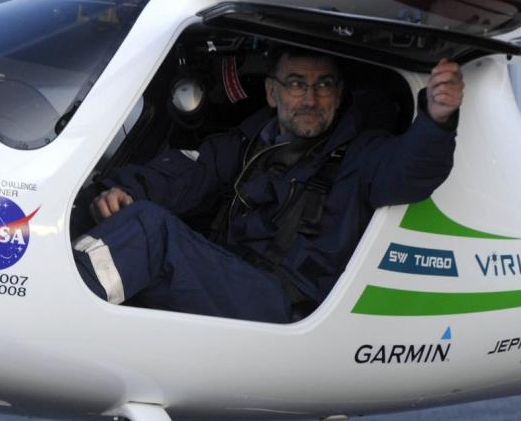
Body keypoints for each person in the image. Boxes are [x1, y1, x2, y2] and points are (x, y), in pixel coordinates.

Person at [73, 46, 464, 323]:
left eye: (324, 85)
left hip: (286, 305)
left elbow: (412, 171)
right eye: (296, 84)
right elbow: (182, 174)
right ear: (272, 93)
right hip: (233, 278)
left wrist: (437, 119)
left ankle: (62, 308)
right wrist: (123, 192)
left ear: (339, 94)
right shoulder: (244, 146)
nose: (310, 99)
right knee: (131, 219)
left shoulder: (362, 155)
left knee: (149, 231)